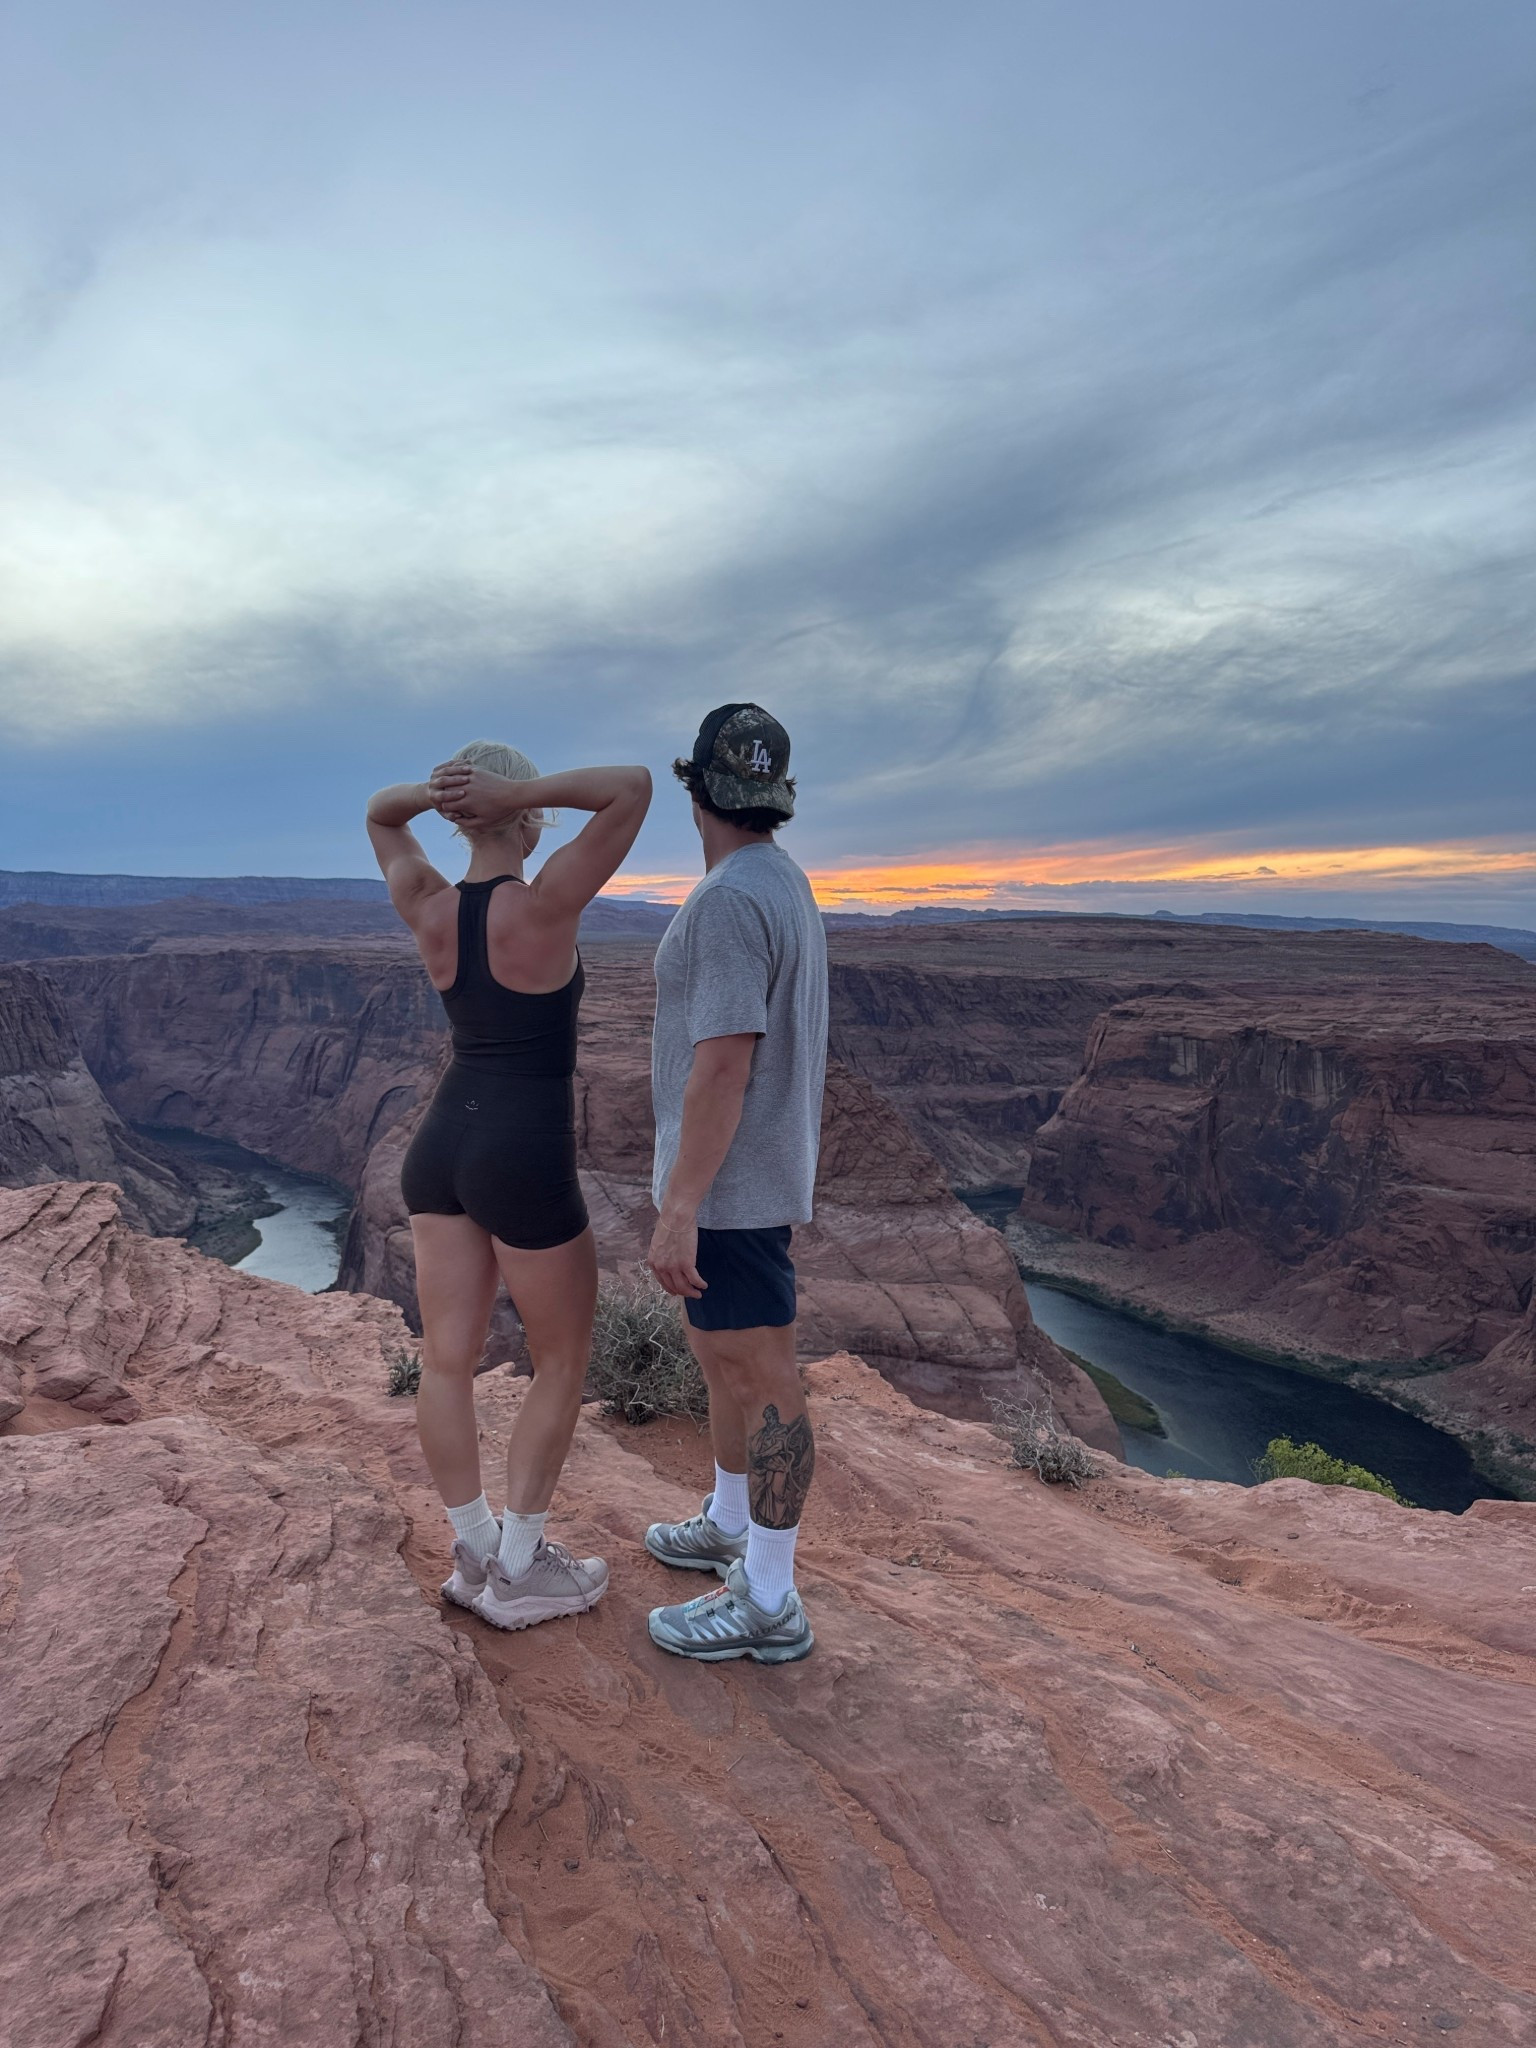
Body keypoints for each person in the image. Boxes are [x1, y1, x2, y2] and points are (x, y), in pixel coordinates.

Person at [366, 743, 651, 1630]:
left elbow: (381, 814)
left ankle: (473, 1549)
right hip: (521, 1151)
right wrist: (508, 792)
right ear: (526, 816)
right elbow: (633, 788)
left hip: (440, 1143)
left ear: (459, 818)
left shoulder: (428, 903)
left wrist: (437, 796)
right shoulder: (549, 902)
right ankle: (522, 1569)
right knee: (559, 1359)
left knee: (447, 1359)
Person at [642, 704, 828, 1664]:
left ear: (695, 787)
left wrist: (682, 1205)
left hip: (732, 1192)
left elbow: (724, 1064)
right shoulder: (780, 880)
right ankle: (727, 1523)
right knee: (722, 1364)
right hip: (744, 1184)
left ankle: (769, 1598)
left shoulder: (726, 900)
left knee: (764, 1382)